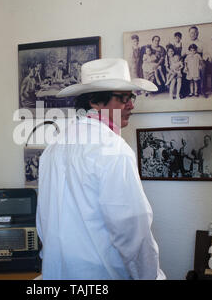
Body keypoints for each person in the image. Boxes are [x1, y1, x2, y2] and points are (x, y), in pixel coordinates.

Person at [36, 58, 165, 280]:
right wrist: (150, 277)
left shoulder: (55, 146)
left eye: (131, 97)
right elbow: (133, 232)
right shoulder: (113, 149)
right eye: (123, 98)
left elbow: (44, 222)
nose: (131, 105)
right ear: (95, 101)